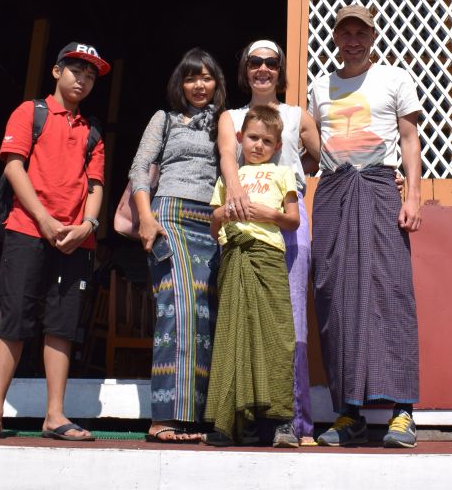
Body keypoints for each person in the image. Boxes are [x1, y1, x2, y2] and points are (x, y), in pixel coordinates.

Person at [0, 42, 110, 442]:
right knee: (14, 319)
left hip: (75, 241)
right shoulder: (31, 112)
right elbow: (13, 166)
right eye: (76, 70)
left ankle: (55, 416)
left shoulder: (93, 131)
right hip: (27, 229)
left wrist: (87, 226)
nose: (83, 80)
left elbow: (96, 186)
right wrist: (43, 218)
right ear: (56, 72)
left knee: (62, 326)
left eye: (90, 76)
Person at [308, 5, 424, 449]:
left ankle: (402, 412)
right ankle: (349, 413)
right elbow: (311, 150)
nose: (353, 40)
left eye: (361, 33)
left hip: (379, 186)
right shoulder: (320, 87)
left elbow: (409, 139)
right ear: (335, 38)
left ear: (372, 37)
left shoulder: (395, 78)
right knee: (335, 297)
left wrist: (413, 195)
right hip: (334, 191)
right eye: (346, 33)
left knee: (391, 290)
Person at [216, 39, 320, 446]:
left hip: (287, 222)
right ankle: (246, 418)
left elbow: (320, 157)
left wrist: (291, 176)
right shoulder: (231, 116)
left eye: (271, 62)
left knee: (290, 318)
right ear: (245, 70)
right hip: (242, 220)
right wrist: (236, 190)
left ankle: (294, 421)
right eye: (255, 62)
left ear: (280, 70)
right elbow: (228, 155)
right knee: (244, 317)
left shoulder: (297, 115)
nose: (263, 68)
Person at [128, 47, 226, 443]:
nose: (199, 85)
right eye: (191, 77)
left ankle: (198, 416)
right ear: (180, 84)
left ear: (217, 82)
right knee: (178, 309)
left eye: (206, 77)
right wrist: (145, 217)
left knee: (206, 315)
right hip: (169, 216)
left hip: (212, 223)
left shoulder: (225, 122)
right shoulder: (164, 119)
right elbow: (139, 167)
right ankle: (164, 418)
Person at [204, 106, 301, 447]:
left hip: (268, 257)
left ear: (278, 146)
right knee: (233, 335)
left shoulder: (283, 173)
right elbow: (214, 224)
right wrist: (223, 212)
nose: (258, 145)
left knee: (278, 335)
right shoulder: (227, 180)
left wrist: (267, 213)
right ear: (240, 138)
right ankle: (229, 423)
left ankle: (280, 422)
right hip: (234, 255)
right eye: (253, 138)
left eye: (267, 141)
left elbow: (293, 221)